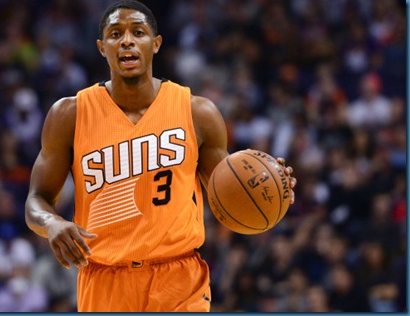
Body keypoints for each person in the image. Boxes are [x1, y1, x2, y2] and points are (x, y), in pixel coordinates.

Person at [25, 0, 297, 312]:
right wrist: (52, 223)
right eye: (116, 34)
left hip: (179, 279)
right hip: (104, 282)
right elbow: (36, 199)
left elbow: (226, 195)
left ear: (155, 44)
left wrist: (267, 185)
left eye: (138, 32)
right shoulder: (69, 115)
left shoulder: (198, 113)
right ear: (102, 47)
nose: (127, 40)